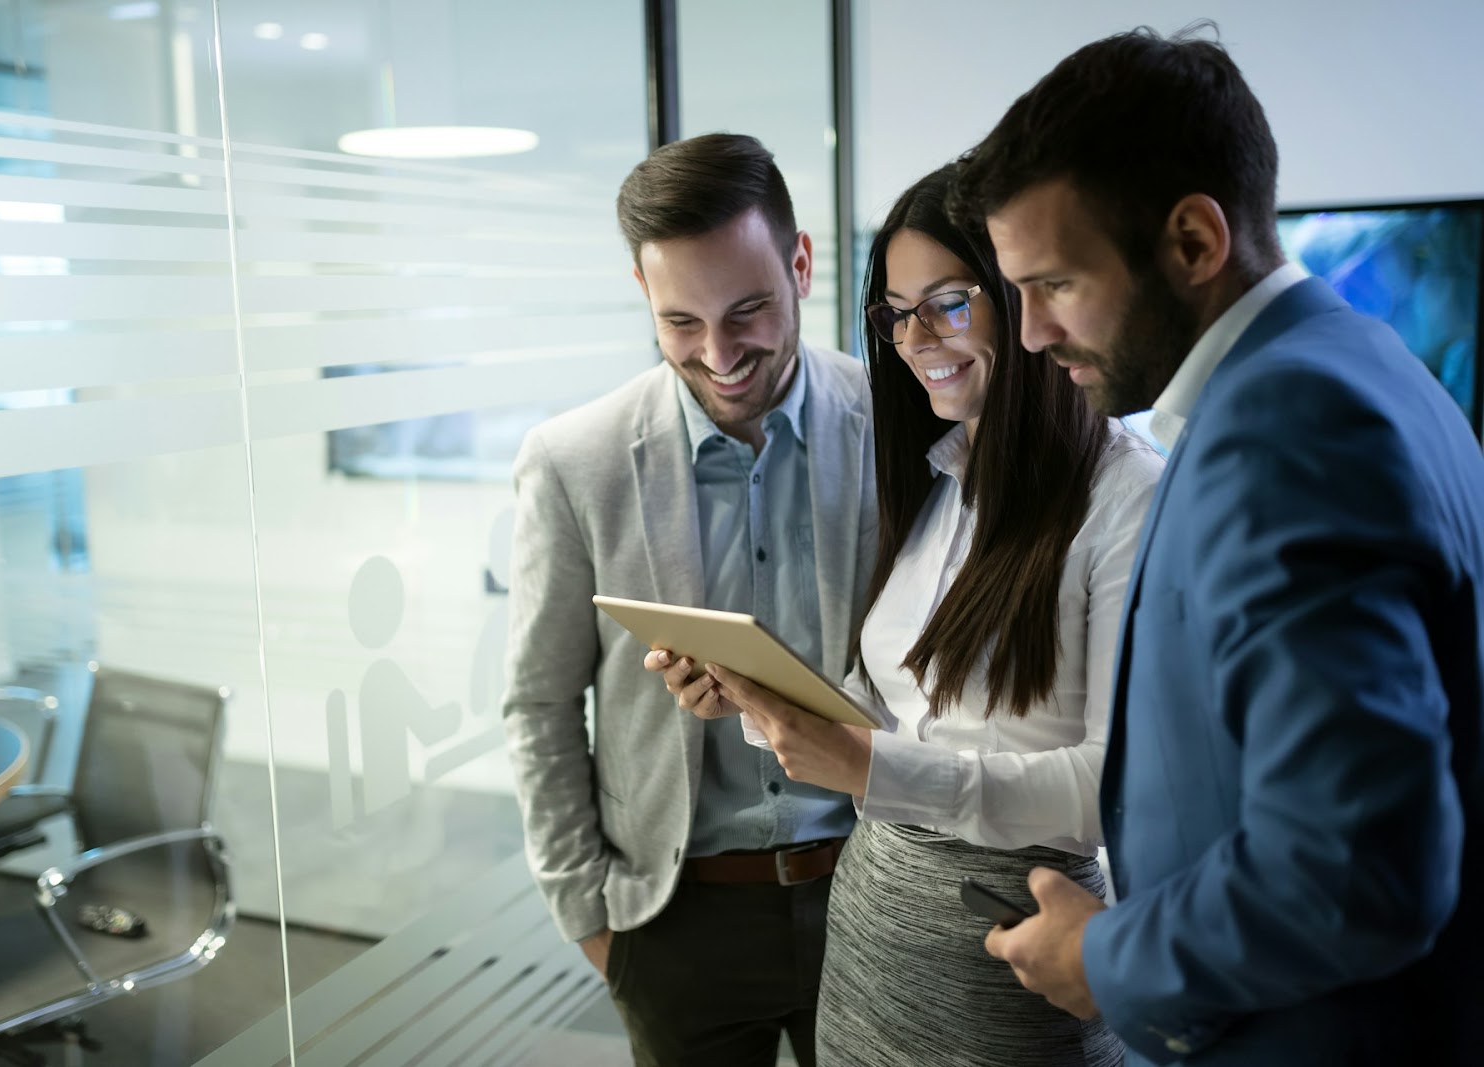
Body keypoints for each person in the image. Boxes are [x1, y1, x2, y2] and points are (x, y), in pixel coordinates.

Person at [952, 27, 1484, 1067]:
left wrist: (1107, 953)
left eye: (1053, 283)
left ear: (1194, 241)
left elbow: (1355, 861)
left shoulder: (1285, 427)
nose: (1027, 335)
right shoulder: (1360, 359)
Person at [651, 162, 1162, 1066]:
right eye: (894, 311)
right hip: (873, 946)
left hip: (1013, 956)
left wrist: (868, 765)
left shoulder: (1125, 495)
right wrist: (766, 700)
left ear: (1023, 297)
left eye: (950, 302)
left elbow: (1110, 788)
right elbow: (898, 706)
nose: (914, 337)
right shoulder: (944, 476)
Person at [500, 132, 878, 1067]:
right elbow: (540, 703)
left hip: (874, 889)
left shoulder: (898, 426)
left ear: (801, 262)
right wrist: (589, 915)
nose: (720, 354)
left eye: (748, 309)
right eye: (681, 323)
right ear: (644, 292)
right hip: (673, 920)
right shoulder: (572, 461)